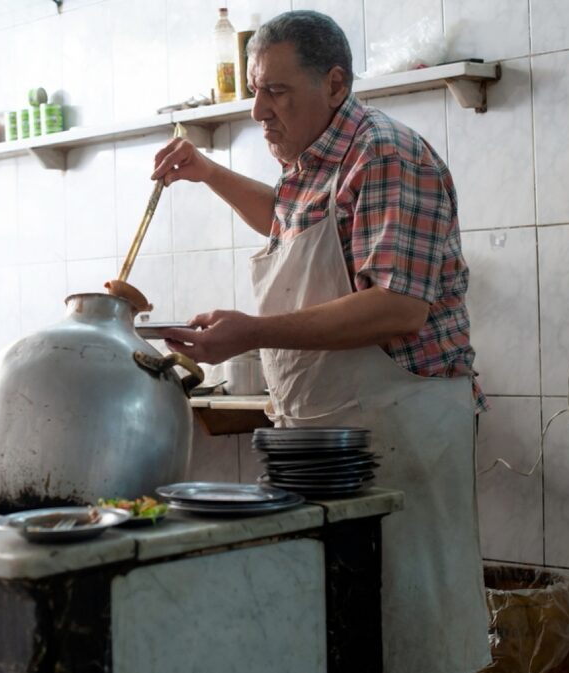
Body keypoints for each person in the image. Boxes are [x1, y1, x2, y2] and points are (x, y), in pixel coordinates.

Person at [153, 11, 490, 673]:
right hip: (329, 435)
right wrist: (207, 172)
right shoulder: (312, 165)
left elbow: (399, 308)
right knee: (343, 630)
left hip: (405, 429)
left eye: (276, 91)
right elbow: (289, 221)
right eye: (255, 91)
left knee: (414, 628)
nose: (258, 111)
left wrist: (251, 333)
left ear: (334, 84)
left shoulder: (387, 152)